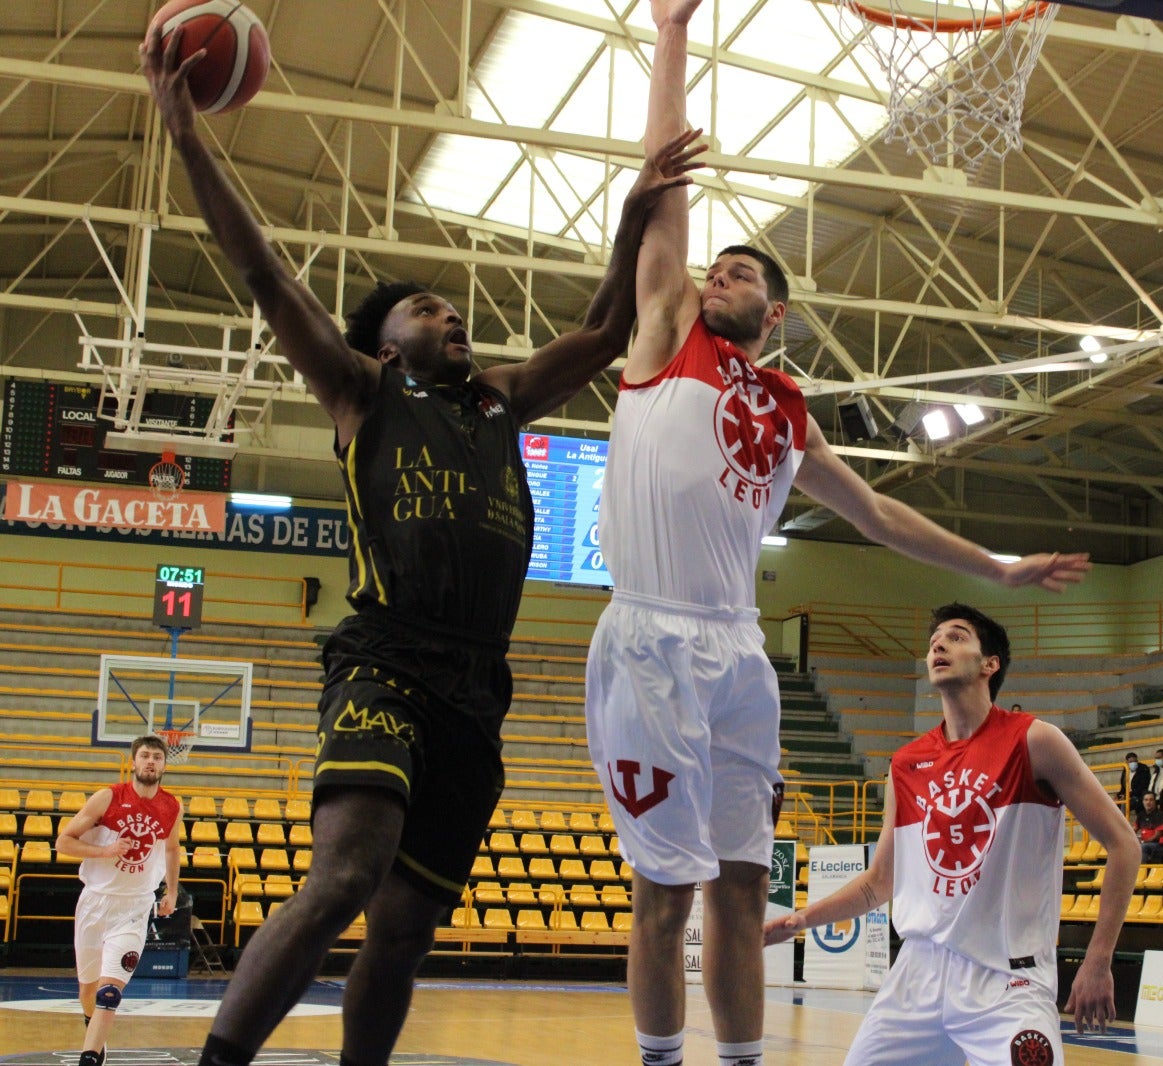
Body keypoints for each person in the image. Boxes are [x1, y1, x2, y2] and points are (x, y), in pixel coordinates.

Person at [142, 26, 706, 1066]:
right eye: (426, 307)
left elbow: (607, 323)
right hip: (387, 659)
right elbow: (265, 274)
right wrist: (186, 137)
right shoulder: (363, 391)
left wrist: (632, 215)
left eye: (452, 308)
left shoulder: (498, 398)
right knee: (345, 878)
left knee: (403, 929)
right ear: (383, 338)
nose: (452, 316)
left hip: (477, 686)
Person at [596, 7, 1094, 1064]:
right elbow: (665, 180)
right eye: (711, 266)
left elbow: (879, 514)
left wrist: (999, 564)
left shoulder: (786, 404)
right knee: (662, 886)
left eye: (740, 272)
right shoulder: (659, 330)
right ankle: (656, 1059)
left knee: (737, 881)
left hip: (740, 649)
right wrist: (674, 27)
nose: (716, 273)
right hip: (649, 636)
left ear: (775, 311)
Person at [763, 604, 1136, 1063]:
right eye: (935, 639)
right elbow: (880, 881)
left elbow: (1124, 845)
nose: (938, 644)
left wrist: (1098, 959)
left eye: (957, 637)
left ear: (989, 664)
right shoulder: (905, 764)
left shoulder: (1034, 741)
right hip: (917, 975)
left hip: (1007, 980)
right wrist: (798, 920)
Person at [56, 737, 183, 1066]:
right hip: (95, 902)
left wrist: (170, 891)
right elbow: (63, 843)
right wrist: (105, 851)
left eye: (157, 756)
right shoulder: (108, 798)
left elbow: (170, 849)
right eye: (145, 755)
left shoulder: (172, 806)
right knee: (88, 990)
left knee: (109, 992)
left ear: (165, 764)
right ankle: (92, 1027)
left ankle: (90, 1056)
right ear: (134, 762)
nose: (151, 761)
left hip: (135, 907)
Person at [1133, 792, 1163, 863]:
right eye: (1146, 800)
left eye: (1151, 800)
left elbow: (1157, 836)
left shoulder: (1159, 815)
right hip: (1146, 843)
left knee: (1143, 847)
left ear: (1155, 802)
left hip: (1159, 844)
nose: (1148, 802)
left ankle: (1143, 870)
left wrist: (1143, 841)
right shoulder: (1141, 815)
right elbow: (1133, 830)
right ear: (1143, 802)